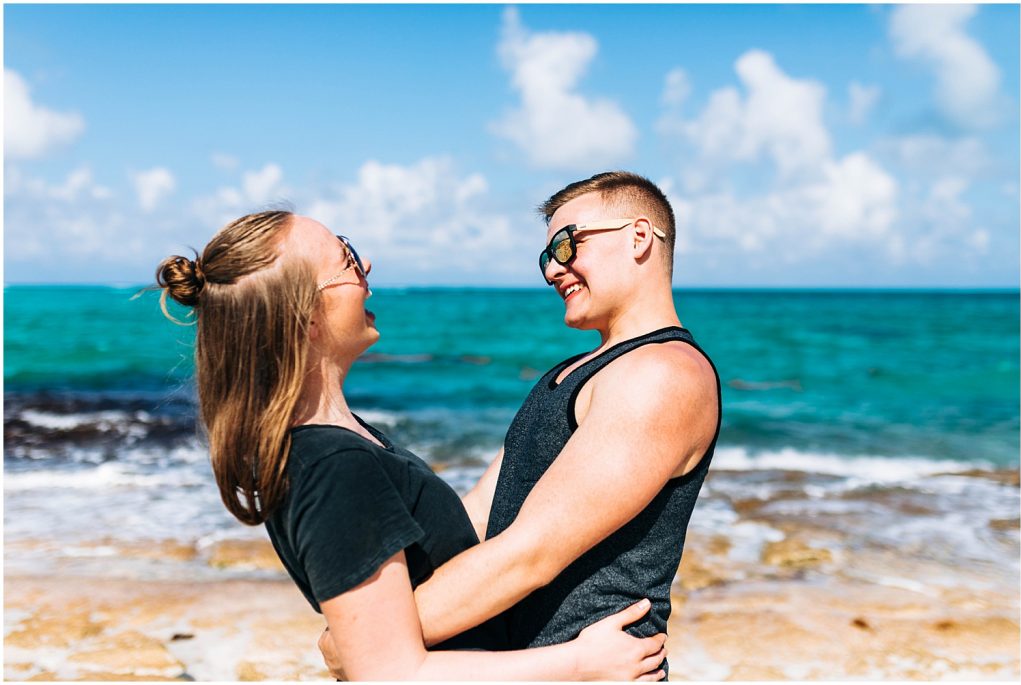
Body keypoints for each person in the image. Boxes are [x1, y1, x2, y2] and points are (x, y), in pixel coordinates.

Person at [155, 210, 668, 681]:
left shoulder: (349, 440)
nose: (367, 265)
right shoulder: (332, 465)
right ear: (306, 317)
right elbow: (392, 675)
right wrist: (579, 663)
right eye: (348, 258)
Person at [320, 171, 721, 679]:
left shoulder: (663, 374)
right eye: (547, 255)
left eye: (568, 243)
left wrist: (371, 639)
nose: (554, 269)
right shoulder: (572, 373)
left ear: (639, 237)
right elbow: (474, 523)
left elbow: (530, 552)